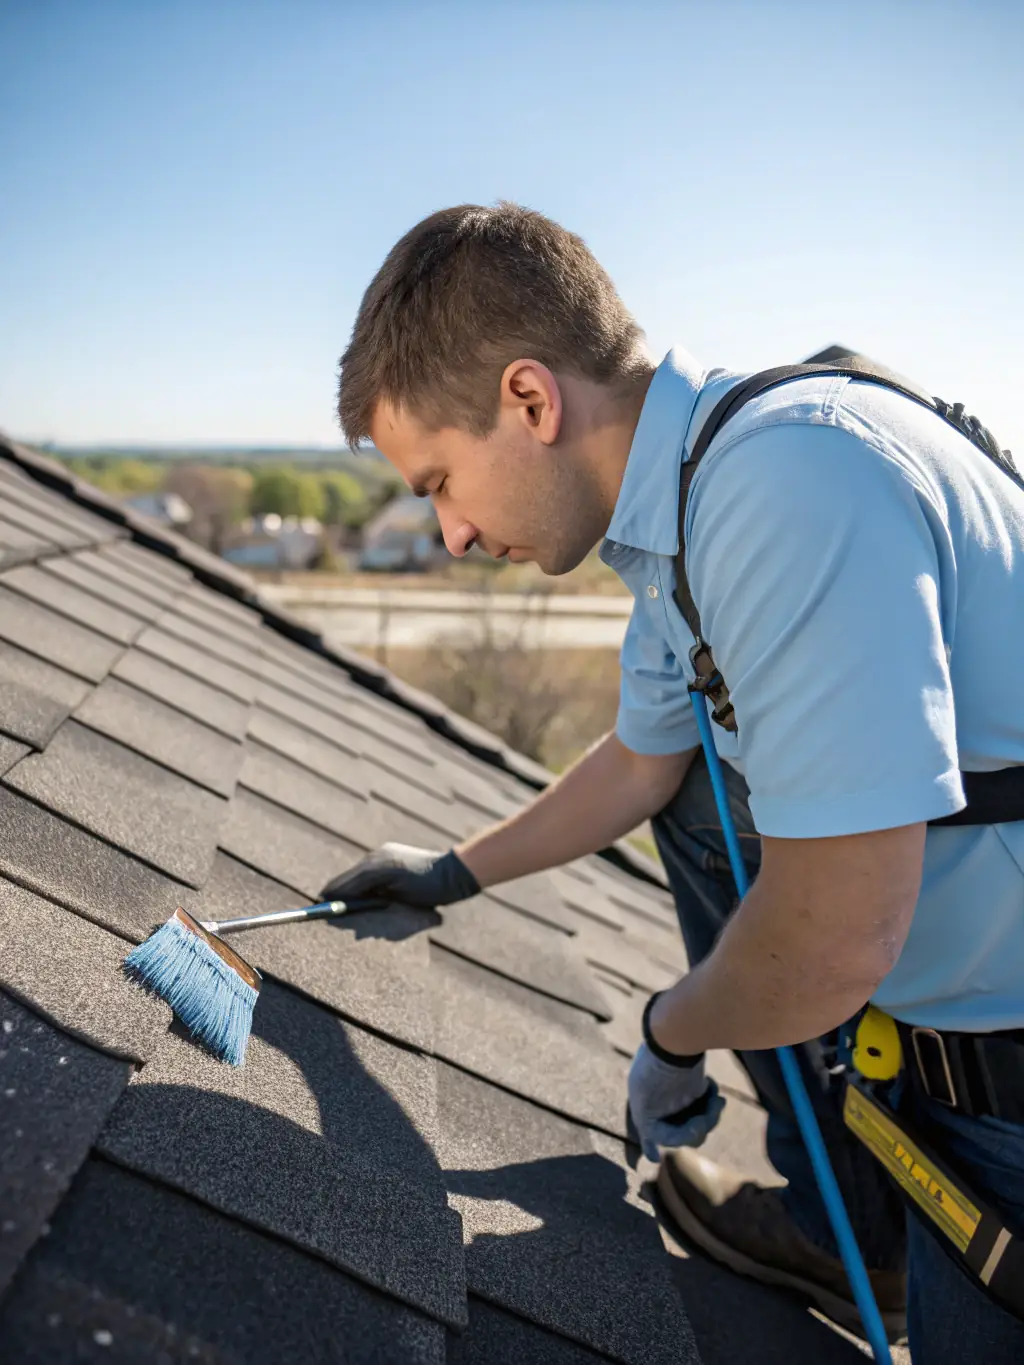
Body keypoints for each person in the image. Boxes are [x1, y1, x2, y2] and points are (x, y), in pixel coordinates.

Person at [325, 202, 1024, 1362]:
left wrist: (672, 1029)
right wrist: (449, 873)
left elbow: (840, 934)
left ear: (531, 400)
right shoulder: (682, 518)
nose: (447, 534)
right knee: (701, 794)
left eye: (440, 481)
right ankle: (852, 1217)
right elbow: (646, 766)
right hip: (953, 1050)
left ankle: (849, 1227)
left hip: (1004, 1090)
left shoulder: (787, 488)